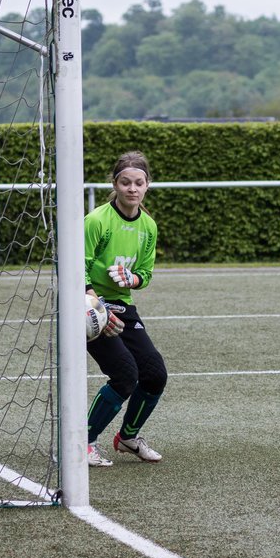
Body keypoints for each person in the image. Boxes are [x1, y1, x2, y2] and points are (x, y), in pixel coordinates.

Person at [84, 150, 167, 467]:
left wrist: (132, 278)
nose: (132, 189)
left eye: (138, 183)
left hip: (123, 307)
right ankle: (84, 442)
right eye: (125, 182)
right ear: (115, 184)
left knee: (154, 375)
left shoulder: (149, 226)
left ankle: (128, 438)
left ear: (147, 185)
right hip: (89, 307)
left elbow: (145, 274)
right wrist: (97, 309)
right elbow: (78, 266)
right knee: (124, 375)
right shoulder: (96, 221)